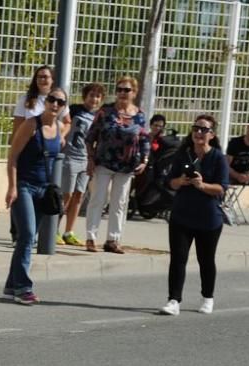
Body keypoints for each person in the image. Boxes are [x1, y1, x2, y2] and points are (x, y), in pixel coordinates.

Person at [158, 114, 228, 316]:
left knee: (205, 260)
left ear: (212, 135)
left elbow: (221, 188)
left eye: (204, 130)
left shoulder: (218, 158)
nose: (199, 132)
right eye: (196, 128)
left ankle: (208, 297)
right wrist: (180, 181)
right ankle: (173, 300)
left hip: (208, 219)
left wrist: (202, 185)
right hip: (182, 216)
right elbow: (169, 182)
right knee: (178, 259)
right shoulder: (184, 155)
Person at [5, 87, 66, 305]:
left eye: (60, 102)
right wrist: (12, 187)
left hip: (43, 189)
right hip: (24, 186)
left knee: (27, 239)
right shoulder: (31, 124)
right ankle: (24, 287)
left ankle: (12, 285)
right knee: (28, 234)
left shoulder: (59, 127)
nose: (55, 104)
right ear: (46, 101)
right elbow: (12, 157)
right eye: (52, 100)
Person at [84, 76, 150, 253]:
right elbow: (91, 137)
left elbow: (144, 139)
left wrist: (144, 160)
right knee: (99, 198)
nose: (122, 93)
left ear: (134, 93)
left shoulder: (140, 115)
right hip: (104, 162)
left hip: (127, 165)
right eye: (119, 89)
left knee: (119, 202)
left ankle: (113, 239)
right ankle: (91, 237)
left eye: (126, 90)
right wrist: (90, 159)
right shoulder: (105, 112)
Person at [10, 65, 70, 243]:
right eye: (39, 77)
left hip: (46, 158)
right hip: (28, 152)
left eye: (46, 77)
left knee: (38, 211)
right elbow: (18, 126)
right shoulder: (27, 100)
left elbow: (67, 123)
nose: (43, 80)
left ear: (52, 80)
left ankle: (30, 237)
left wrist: (61, 136)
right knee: (20, 200)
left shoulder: (59, 99)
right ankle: (17, 233)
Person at [59, 82, 104, 247]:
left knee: (79, 196)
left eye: (98, 96)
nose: (94, 99)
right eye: (91, 95)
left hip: (85, 160)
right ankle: (53, 228)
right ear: (85, 96)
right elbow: (63, 123)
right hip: (70, 157)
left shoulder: (100, 117)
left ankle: (68, 232)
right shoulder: (75, 110)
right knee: (67, 194)